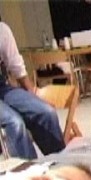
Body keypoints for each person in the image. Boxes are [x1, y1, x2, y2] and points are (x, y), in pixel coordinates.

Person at [0, 22, 65, 159]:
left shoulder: (2, 29)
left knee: (46, 112)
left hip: (3, 87)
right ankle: (30, 169)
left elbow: (16, 65)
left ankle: (61, 164)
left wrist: (32, 94)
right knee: (14, 123)